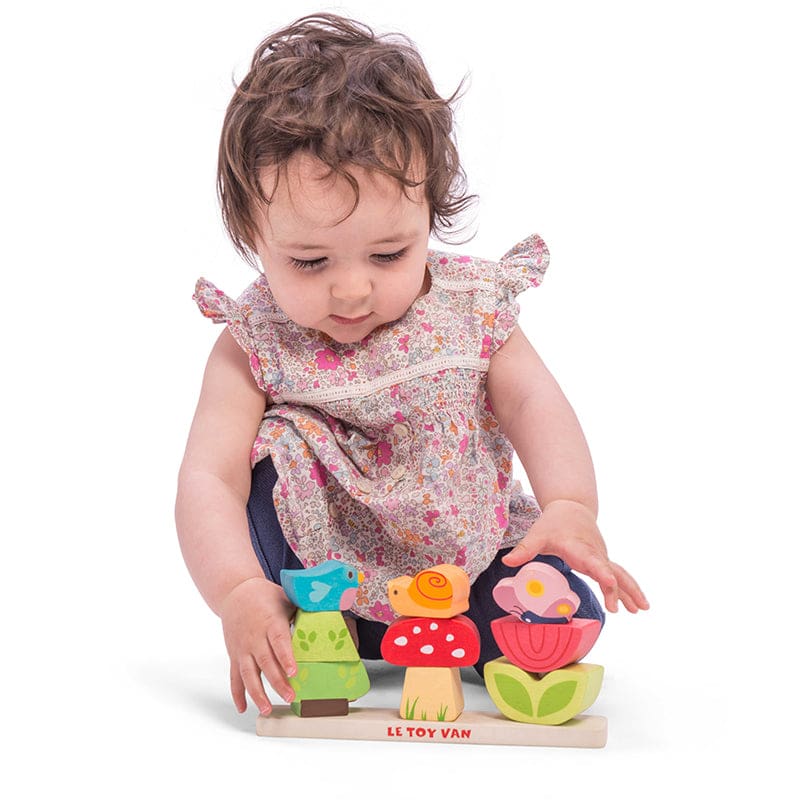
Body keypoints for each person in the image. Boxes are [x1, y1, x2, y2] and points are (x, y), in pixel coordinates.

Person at [175, 13, 649, 717]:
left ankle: (470, 630)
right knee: (264, 461)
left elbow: (534, 404)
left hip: (461, 565)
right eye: (309, 261)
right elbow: (209, 477)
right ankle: (313, 628)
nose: (352, 289)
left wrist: (570, 507)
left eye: (389, 254)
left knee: (563, 611)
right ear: (254, 235)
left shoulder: (471, 308)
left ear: (431, 215)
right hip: (318, 578)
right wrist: (238, 591)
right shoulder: (256, 339)